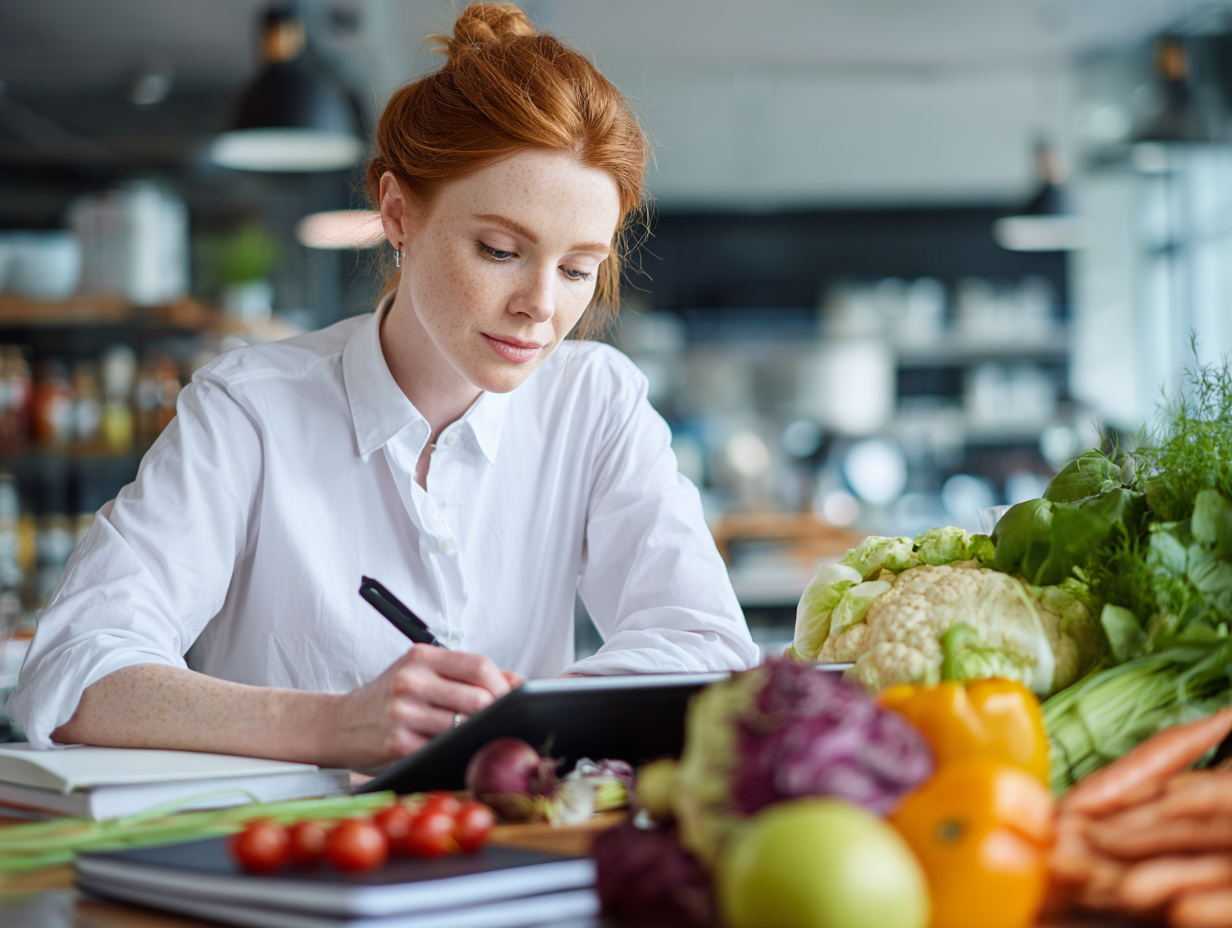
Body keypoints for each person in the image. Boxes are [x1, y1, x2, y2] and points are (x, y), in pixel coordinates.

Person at [10, 3, 757, 771]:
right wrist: (334, 725)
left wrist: (511, 721)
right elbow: (71, 673)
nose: (541, 305)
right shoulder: (252, 408)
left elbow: (707, 644)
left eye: (576, 269)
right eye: (500, 250)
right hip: (277, 865)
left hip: (508, 857)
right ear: (397, 211)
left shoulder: (595, 402)